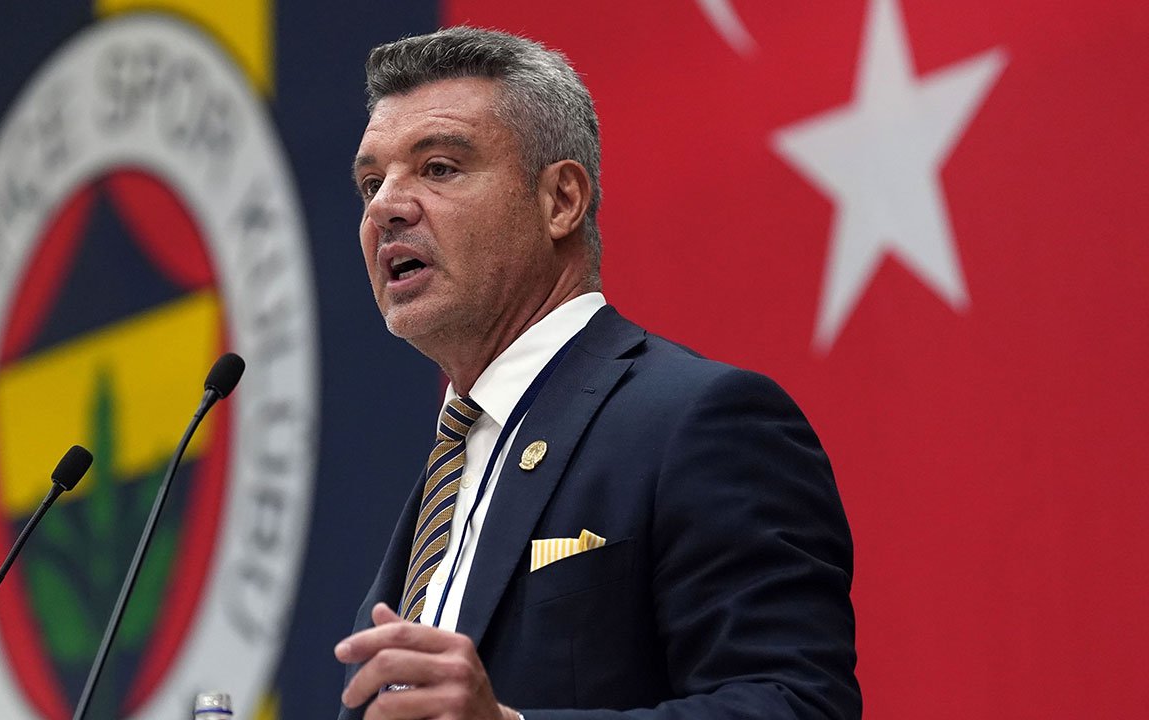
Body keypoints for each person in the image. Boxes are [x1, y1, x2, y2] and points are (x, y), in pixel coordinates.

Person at [336, 26, 860, 720]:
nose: (385, 207)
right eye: (371, 183)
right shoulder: (451, 468)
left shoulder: (699, 421)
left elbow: (796, 704)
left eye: (439, 168)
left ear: (561, 201)